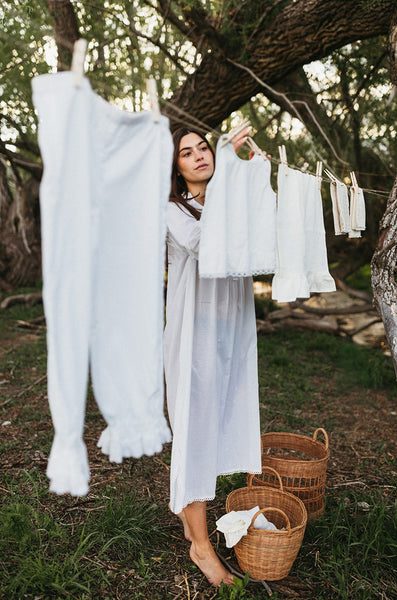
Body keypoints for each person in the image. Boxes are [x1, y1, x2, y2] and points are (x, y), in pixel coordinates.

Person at [164, 127, 262, 587]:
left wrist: (253, 172)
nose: (199, 156)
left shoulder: (228, 199)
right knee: (196, 430)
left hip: (232, 331)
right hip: (194, 337)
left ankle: (191, 519)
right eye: (188, 153)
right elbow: (208, 245)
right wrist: (235, 181)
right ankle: (201, 547)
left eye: (204, 147)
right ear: (177, 168)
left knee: (224, 420)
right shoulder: (173, 211)